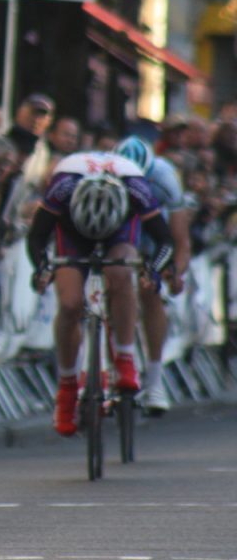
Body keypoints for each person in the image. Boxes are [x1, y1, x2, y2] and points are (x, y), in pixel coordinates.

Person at [26, 151, 176, 437]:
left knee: (121, 275)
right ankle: (67, 389)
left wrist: (152, 270)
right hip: (73, 230)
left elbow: (165, 240)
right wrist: (42, 268)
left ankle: (125, 358)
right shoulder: (62, 186)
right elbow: (36, 236)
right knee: (70, 304)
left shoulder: (136, 189)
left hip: (119, 228)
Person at [114, 136, 189, 413]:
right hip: (117, 224)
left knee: (151, 291)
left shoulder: (164, 177)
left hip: (153, 231)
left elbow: (179, 239)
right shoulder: (103, 174)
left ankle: (155, 380)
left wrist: (175, 272)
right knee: (113, 277)